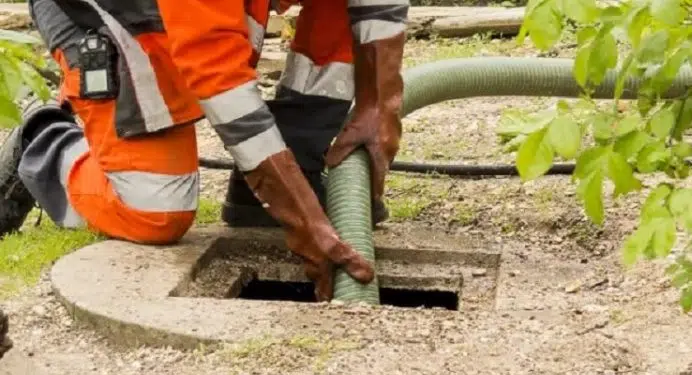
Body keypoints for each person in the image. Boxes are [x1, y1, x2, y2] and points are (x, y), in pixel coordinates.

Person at [0, 0, 409, 301]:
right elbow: (218, 73)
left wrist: (380, 103)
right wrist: (301, 216)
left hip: (204, 11)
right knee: (156, 211)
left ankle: (283, 175)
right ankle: (44, 144)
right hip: (117, 12)